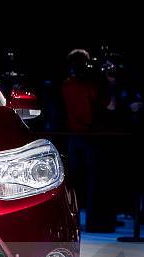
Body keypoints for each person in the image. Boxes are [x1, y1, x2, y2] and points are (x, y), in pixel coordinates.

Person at [61, 49, 113, 232]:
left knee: (74, 182)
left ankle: (70, 221)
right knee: (94, 181)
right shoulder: (88, 86)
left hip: (73, 137)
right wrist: (106, 82)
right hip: (90, 137)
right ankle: (94, 222)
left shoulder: (66, 85)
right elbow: (109, 105)